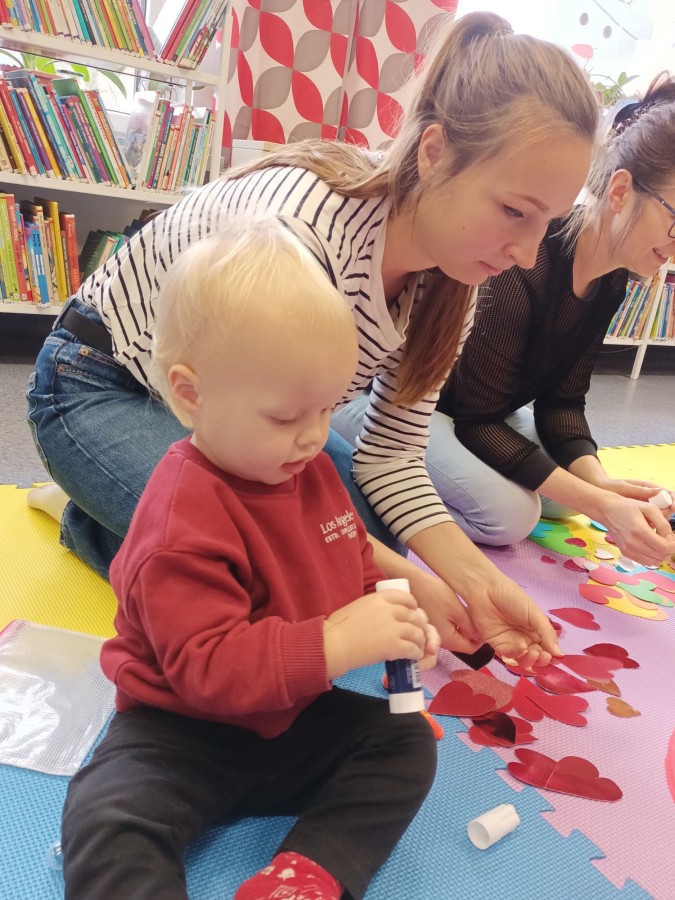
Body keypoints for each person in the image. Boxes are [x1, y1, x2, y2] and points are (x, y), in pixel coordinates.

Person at [27, 11, 598, 664]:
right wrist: (402, 584)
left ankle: (123, 508)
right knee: (294, 581)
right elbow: (237, 443)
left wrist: (474, 582)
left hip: (246, 413)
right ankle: (93, 511)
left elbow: (391, 454)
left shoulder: (451, 280)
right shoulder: (305, 235)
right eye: (514, 211)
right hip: (100, 384)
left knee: (367, 540)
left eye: (547, 223)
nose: (527, 253)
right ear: (435, 151)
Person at [61, 223, 442, 900]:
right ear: (190, 395)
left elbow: (351, 563)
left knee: (406, 740)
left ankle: (306, 875)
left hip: (291, 717)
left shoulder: (310, 470)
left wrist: (393, 620)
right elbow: (208, 669)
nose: (314, 436)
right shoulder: (180, 518)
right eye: (286, 417)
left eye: (327, 408)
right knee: (107, 820)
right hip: (179, 733)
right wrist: (335, 643)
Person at [427, 73, 675, 566]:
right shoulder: (529, 260)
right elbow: (477, 419)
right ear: (620, 191)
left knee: (566, 501)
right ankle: (378, 490)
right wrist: (602, 505)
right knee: (509, 517)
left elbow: (563, 402)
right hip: (418, 404)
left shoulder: (612, 281)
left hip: (482, 410)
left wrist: (602, 487)